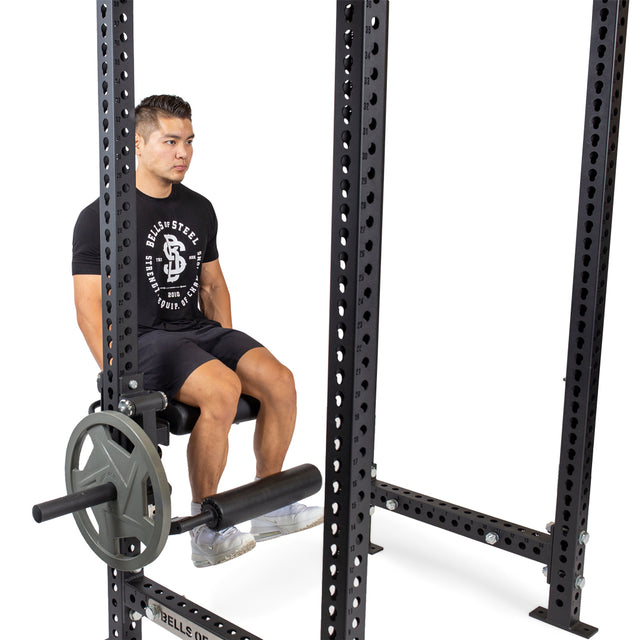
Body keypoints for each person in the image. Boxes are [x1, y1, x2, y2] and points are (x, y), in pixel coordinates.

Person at [72, 94, 322, 567]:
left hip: (196, 330)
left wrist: (224, 347)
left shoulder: (199, 208)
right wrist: (115, 375)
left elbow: (213, 285)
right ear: (138, 144)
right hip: (143, 341)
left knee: (280, 380)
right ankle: (206, 531)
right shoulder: (100, 216)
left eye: (188, 141)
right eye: (170, 141)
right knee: (223, 390)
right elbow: (88, 309)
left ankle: (271, 505)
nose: (182, 152)